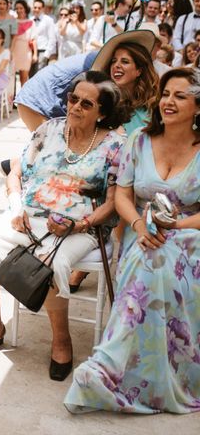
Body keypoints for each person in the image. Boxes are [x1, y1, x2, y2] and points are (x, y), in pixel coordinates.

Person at [0, 71, 127, 381]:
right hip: (31, 215)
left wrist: (79, 223)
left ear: (102, 112)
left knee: (52, 262)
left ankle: (61, 340)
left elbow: (112, 202)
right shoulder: (48, 130)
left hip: (82, 225)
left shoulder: (115, 146)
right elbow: (15, 173)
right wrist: (16, 206)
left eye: (86, 103)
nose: (76, 107)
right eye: (72, 99)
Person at [64, 67, 200, 414]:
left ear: (198, 106)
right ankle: (111, 367)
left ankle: (111, 367)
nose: (169, 101)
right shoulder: (139, 139)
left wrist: (175, 224)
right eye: (166, 94)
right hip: (142, 230)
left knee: (155, 259)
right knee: (146, 255)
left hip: (189, 234)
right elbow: (122, 196)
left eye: (180, 96)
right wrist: (140, 225)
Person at [91, 29, 159, 134]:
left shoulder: (155, 106)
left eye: (125, 61)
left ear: (139, 71)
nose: (116, 65)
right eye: (113, 61)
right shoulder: (103, 103)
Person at [12, 0, 36, 87]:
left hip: (26, 51)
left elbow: (33, 39)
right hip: (14, 50)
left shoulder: (31, 22)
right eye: (17, 8)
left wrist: (35, 54)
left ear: (25, 9)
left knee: (24, 78)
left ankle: (22, 99)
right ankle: (12, 99)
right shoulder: (12, 21)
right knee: (11, 77)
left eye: (21, 8)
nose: (19, 10)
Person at [31, 0, 58, 76]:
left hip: (43, 51)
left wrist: (46, 55)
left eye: (39, 8)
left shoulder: (49, 20)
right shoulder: (30, 19)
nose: (36, 9)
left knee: (39, 76)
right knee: (31, 76)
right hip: (31, 51)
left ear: (43, 8)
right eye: (35, 7)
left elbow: (52, 39)